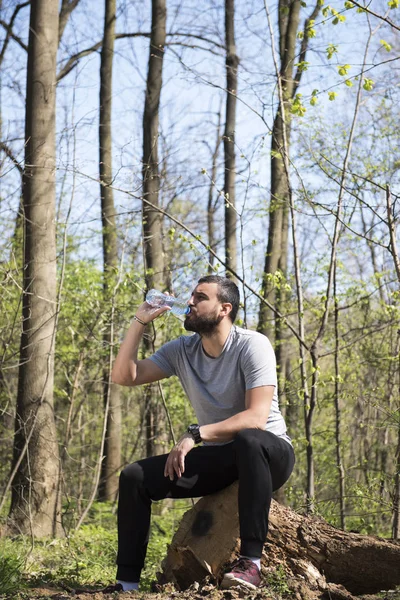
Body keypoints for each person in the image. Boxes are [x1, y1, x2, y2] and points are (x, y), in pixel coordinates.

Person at [105, 275, 295, 593]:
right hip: (223, 458)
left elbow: (256, 418)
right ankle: (127, 583)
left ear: (224, 309)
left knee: (249, 439)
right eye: (191, 295)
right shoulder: (183, 350)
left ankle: (252, 564)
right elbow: (125, 376)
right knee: (134, 476)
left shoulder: (252, 344)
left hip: (268, 452)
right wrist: (139, 321)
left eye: (200, 297)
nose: (189, 302)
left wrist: (194, 434)